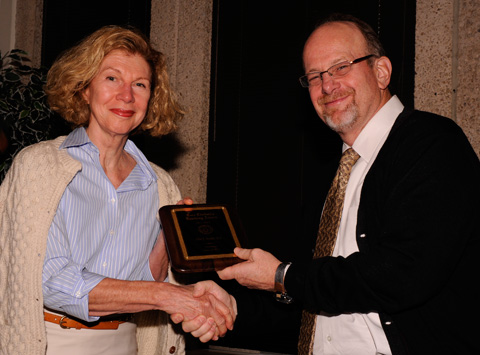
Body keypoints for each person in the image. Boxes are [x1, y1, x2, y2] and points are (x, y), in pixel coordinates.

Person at [217, 13, 480, 354]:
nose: (327, 85)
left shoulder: (432, 144)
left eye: (342, 67)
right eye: (315, 76)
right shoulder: (333, 173)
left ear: (381, 71)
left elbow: (401, 274)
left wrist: (283, 276)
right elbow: (313, 298)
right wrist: (229, 309)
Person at [0, 25, 236, 355]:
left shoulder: (160, 185)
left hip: (125, 343)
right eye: (112, 78)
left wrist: (181, 271)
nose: (126, 95)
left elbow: (148, 284)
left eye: (140, 84)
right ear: (84, 88)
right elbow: (49, 279)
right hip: (49, 343)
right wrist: (169, 297)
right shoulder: (38, 166)